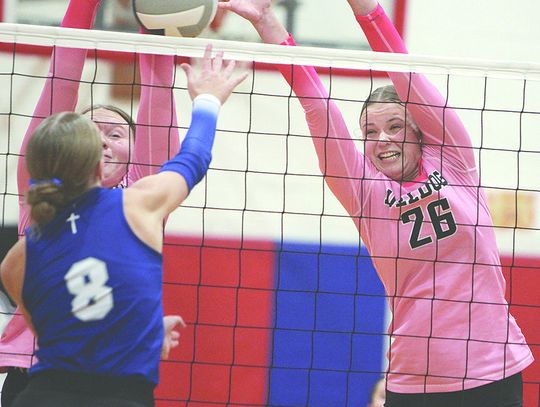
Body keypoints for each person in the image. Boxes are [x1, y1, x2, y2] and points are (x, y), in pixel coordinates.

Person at [219, 0, 534, 405]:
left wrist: (363, 7)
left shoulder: (454, 159)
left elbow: (403, 69)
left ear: (420, 132)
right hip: (413, 381)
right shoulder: (362, 189)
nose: (381, 138)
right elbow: (316, 102)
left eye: (395, 126)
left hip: (493, 370)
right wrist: (267, 23)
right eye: (369, 131)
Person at [0, 44, 247, 407]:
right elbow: (194, 157)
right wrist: (208, 97)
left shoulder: (21, 253)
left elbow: (54, 329)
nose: (105, 143)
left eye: (114, 134)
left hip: (39, 394)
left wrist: (139, 327)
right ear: (97, 166)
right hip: (117, 395)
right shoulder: (137, 206)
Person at [0, 0, 184, 404]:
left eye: (115, 133)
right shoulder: (44, 187)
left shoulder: (143, 199)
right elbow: (61, 75)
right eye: (90, 131)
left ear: (137, 153)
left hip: (114, 380)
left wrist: (152, 20)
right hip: (34, 372)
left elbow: (158, 101)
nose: (102, 139)